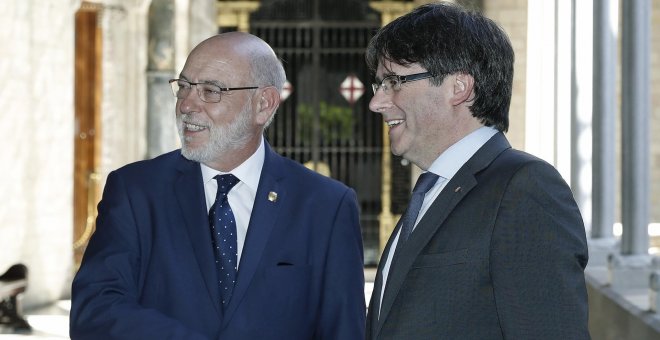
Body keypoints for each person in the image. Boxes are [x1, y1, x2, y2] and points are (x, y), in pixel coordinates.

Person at [70, 32, 365, 340]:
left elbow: (343, 330)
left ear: (263, 104)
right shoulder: (135, 191)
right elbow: (94, 310)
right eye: (183, 87)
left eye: (210, 91)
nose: (186, 105)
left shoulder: (325, 205)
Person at [365, 2, 590, 339]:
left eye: (394, 82)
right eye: (379, 84)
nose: (376, 102)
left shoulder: (524, 190)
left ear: (459, 87)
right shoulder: (431, 192)